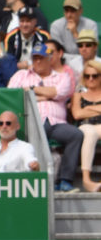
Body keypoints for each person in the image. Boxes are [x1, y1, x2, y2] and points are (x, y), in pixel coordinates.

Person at [9, 42, 83, 191]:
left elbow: (59, 93)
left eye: (41, 58)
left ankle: (65, 180)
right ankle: (35, 182)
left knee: (76, 135)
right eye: (35, 58)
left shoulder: (62, 76)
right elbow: (13, 96)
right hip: (30, 121)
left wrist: (32, 90)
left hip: (56, 123)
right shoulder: (21, 75)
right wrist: (46, 95)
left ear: (49, 59)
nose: (37, 61)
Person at [71, 58, 101, 192]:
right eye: (87, 76)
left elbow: (82, 112)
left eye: (95, 76)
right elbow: (77, 114)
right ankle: (86, 179)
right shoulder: (79, 95)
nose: (91, 79)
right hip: (85, 126)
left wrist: (87, 110)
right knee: (90, 132)